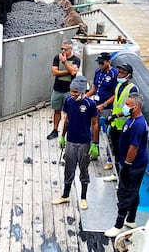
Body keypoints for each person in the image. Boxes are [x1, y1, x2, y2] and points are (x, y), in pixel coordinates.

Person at [51, 76, 99, 210]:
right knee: (68, 169)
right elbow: (67, 119)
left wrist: (94, 143)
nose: (73, 94)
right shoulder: (68, 100)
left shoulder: (90, 104)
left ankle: (83, 197)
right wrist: (62, 136)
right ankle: (65, 195)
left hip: (84, 142)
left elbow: (95, 124)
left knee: (84, 170)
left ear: (82, 92)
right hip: (71, 141)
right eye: (71, 91)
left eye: (76, 92)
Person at [104, 92, 148, 237]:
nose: (124, 107)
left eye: (127, 105)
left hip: (133, 166)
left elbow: (133, 148)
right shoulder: (132, 118)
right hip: (132, 163)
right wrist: (114, 117)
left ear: (134, 108)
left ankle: (119, 225)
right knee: (133, 192)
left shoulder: (138, 125)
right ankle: (131, 219)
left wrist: (127, 166)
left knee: (125, 193)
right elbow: (124, 115)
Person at [103, 64, 138, 182]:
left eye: (123, 73)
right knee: (116, 152)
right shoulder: (118, 86)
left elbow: (131, 108)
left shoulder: (132, 89)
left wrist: (116, 115)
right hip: (115, 125)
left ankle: (123, 179)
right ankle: (117, 174)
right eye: (119, 72)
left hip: (125, 126)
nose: (119, 75)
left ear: (129, 76)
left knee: (124, 153)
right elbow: (116, 103)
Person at [85, 52, 118, 165]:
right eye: (98, 63)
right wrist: (84, 97)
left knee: (107, 132)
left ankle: (110, 156)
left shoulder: (114, 74)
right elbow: (94, 88)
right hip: (96, 105)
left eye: (102, 63)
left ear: (108, 62)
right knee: (93, 128)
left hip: (106, 108)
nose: (99, 65)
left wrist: (104, 104)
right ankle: (94, 150)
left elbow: (115, 94)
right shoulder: (97, 72)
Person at [47, 39, 81, 140]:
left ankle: (67, 131)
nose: (63, 51)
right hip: (57, 89)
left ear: (70, 49)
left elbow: (73, 72)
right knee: (56, 110)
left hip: (69, 91)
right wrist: (68, 71)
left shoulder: (76, 60)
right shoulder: (57, 57)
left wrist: (65, 62)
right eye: (62, 48)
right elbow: (54, 72)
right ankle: (55, 130)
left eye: (65, 49)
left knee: (69, 112)